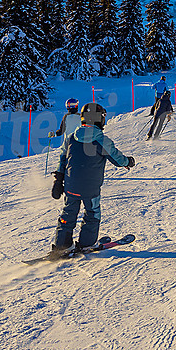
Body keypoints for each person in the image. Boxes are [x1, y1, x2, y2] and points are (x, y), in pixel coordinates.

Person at [51, 102, 135, 254]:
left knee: (68, 213)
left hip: (70, 186)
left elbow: (62, 159)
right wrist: (128, 161)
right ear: (99, 119)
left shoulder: (71, 138)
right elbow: (117, 159)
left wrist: (58, 180)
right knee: (92, 213)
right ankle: (87, 243)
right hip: (90, 189)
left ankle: (62, 245)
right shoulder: (101, 139)